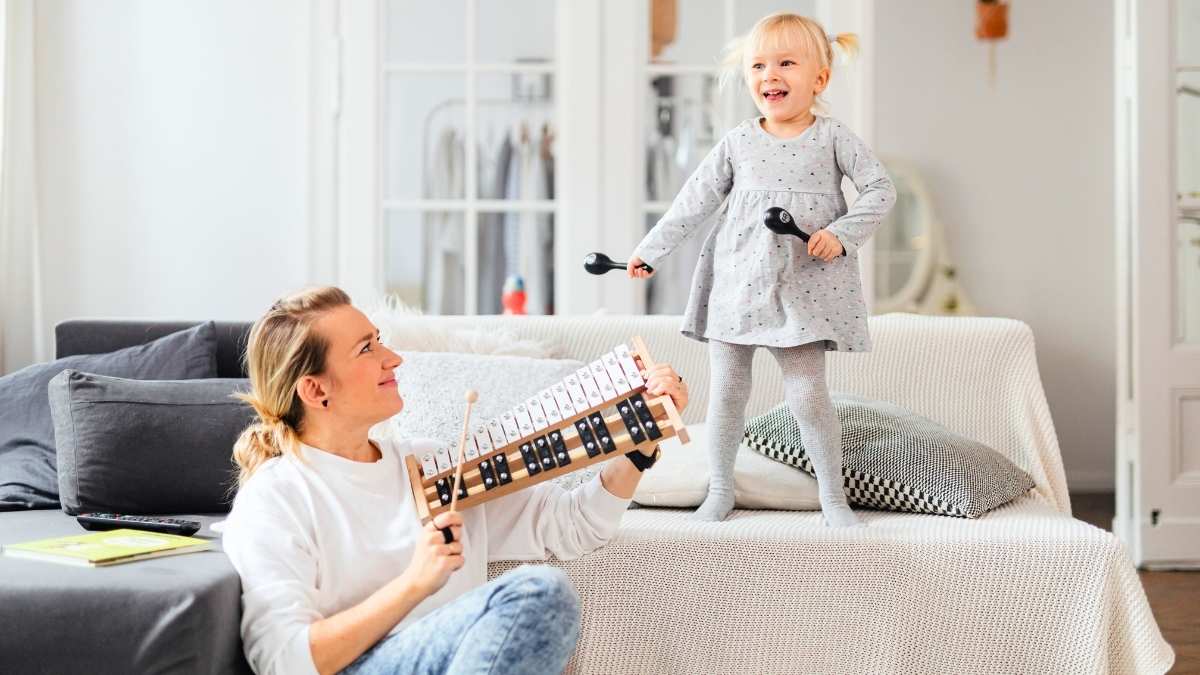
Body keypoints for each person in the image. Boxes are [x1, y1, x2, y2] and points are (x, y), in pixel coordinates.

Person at [220, 286, 688, 675]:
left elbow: (576, 525)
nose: (394, 358)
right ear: (316, 390)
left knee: (546, 596)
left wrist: (643, 437)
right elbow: (284, 661)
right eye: (368, 348)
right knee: (535, 593)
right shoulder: (276, 497)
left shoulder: (435, 467)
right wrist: (415, 583)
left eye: (380, 339)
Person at [627, 12, 896, 525]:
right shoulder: (738, 142)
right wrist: (651, 250)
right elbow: (693, 202)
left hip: (804, 287)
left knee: (808, 395)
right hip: (737, 283)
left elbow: (881, 190)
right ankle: (721, 489)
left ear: (820, 78)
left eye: (786, 63)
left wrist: (840, 235)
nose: (770, 75)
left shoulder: (833, 139)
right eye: (758, 65)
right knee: (727, 392)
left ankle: (832, 498)